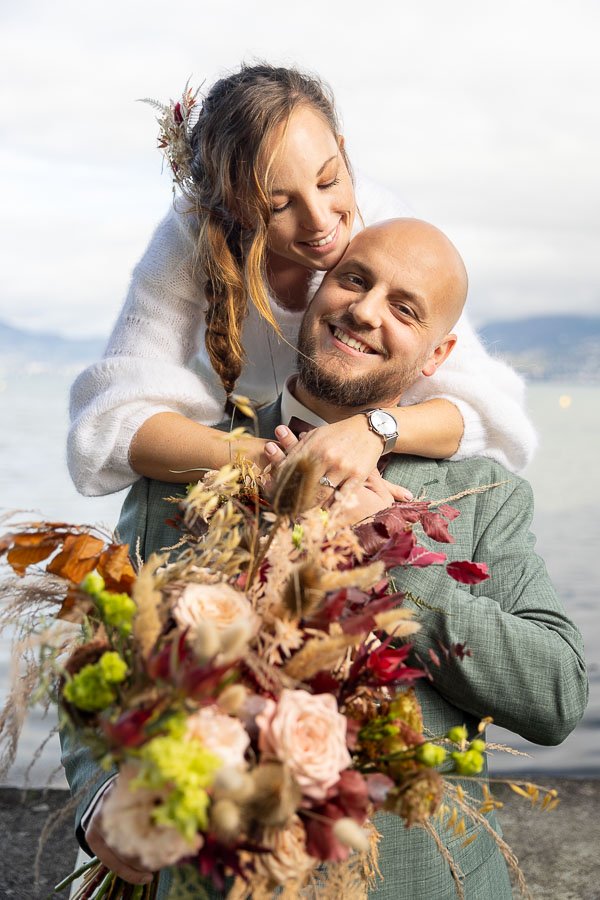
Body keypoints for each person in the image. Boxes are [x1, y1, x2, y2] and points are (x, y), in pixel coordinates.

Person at [62, 219, 587, 899]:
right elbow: (90, 661)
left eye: (404, 308)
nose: (365, 311)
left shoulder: (485, 496)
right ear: (314, 294)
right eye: (354, 279)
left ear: (437, 355)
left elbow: (557, 697)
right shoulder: (179, 465)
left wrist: (396, 567)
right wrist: (102, 795)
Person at [67, 64, 536, 503]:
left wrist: (373, 430)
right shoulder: (189, 236)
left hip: (358, 438)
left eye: (330, 180)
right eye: (277, 205)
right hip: (238, 436)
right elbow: (107, 423)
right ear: (229, 208)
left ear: (343, 148)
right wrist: (274, 460)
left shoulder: (386, 228)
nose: (319, 221)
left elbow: (492, 411)